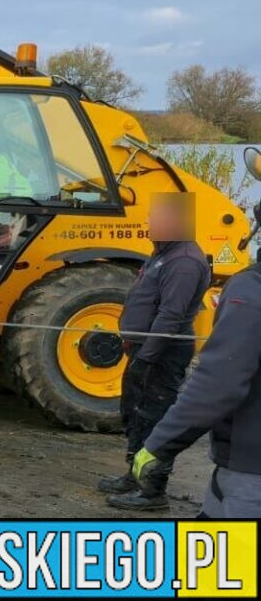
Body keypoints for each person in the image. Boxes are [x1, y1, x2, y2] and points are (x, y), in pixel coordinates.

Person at [103, 194, 210, 511]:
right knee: (135, 412)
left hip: (163, 353)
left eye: (156, 218)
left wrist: (147, 356)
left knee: (154, 416)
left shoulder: (185, 262)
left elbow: (170, 316)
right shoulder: (163, 253)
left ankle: (153, 490)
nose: (149, 223)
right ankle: (134, 474)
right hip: (143, 348)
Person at [133, 260, 261, 517]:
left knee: (233, 555)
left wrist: (160, 444)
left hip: (250, 473)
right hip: (237, 470)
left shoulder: (252, 289)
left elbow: (219, 383)